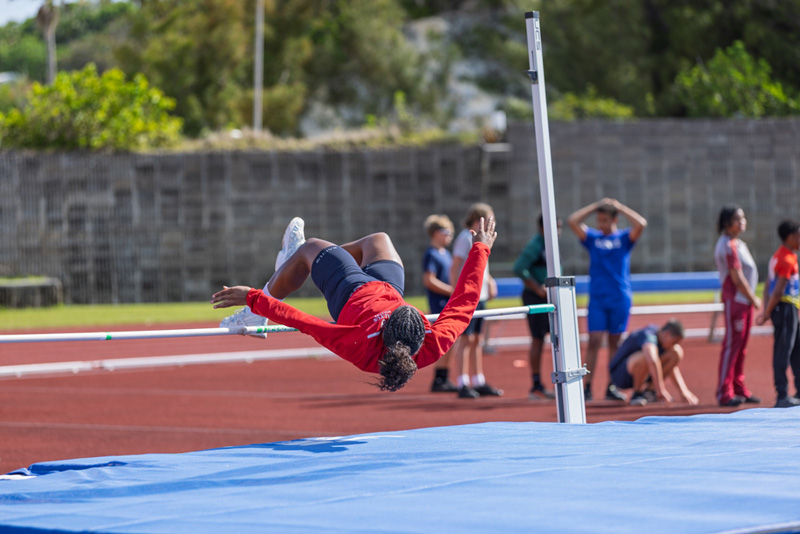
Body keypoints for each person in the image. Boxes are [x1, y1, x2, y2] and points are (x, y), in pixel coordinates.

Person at [212, 216, 497, 392]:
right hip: (387, 286)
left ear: (386, 330)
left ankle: (257, 312)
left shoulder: (356, 345)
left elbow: (302, 320)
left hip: (350, 293)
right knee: (378, 240)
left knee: (311, 246)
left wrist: (254, 298)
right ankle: (298, 263)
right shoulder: (433, 343)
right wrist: (481, 248)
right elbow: (465, 300)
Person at [567, 198, 647, 402]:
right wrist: (595, 206)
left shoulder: (624, 238)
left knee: (615, 342)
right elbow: (573, 221)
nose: (601, 224)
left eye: (605, 220)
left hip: (620, 298)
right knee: (593, 341)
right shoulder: (593, 239)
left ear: (615, 219)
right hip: (598, 300)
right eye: (599, 220)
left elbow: (641, 224)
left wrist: (619, 206)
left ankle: (612, 386)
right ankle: (586, 387)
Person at [450, 203, 502, 399]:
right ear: (479, 218)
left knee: (477, 339)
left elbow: (481, 264)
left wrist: (490, 282)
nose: (493, 222)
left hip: (480, 295)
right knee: (466, 339)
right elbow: (456, 265)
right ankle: (462, 381)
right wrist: (456, 291)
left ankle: (478, 380)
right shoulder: (465, 237)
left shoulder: (483, 238)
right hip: (468, 295)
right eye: (490, 217)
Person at [713, 204, 762, 407]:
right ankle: (724, 392)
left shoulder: (738, 243)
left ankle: (738, 387)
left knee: (742, 348)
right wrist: (753, 298)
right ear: (728, 223)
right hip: (737, 301)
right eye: (738, 219)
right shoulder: (728, 245)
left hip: (744, 301)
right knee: (732, 346)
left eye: (743, 218)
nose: (743, 221)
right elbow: (737, 277)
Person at [513, 214, 559, 400]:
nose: (559, 231)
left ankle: (556, 381)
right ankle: (536, 384)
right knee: (538, 339)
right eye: (556, 226)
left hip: (549, 297)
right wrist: (536, 287)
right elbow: (519, 267)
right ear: (543, 227)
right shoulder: (537, 244)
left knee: (555, 338)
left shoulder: (549, 244)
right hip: (536, 298)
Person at [756, 219, 800, 408]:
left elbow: (768, 284)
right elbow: (778, 290)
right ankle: (782, 395)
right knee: (783, 351)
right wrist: (766, 311)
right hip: (785, 309)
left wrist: (767, 308)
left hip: (788, 309)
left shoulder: (778, 256)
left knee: (796, 350)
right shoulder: (786, 259)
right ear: (790, 237)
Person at [608, 319, 699, 407]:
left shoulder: (662, 339)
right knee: (645, 356)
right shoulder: (648, 335)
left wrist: (683, 391)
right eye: (674, 341)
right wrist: (660, 389)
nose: (674, 344)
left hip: (642, 372)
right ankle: (637, 394)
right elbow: (652, 360)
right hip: (620, 375)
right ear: (667, 334)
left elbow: (672, 368)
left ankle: (650, 392)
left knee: (676, 352)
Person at [422, 214, 458, 393]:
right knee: (444, 341)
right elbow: (429, 280)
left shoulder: (446, 253)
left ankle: (443, 376)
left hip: (448, 303)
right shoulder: (431, 254)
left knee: (451, 342)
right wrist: (451, 290)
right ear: (436, 233)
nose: (450, 235)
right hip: (439, 304)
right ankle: (439, 378)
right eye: (446, 232)